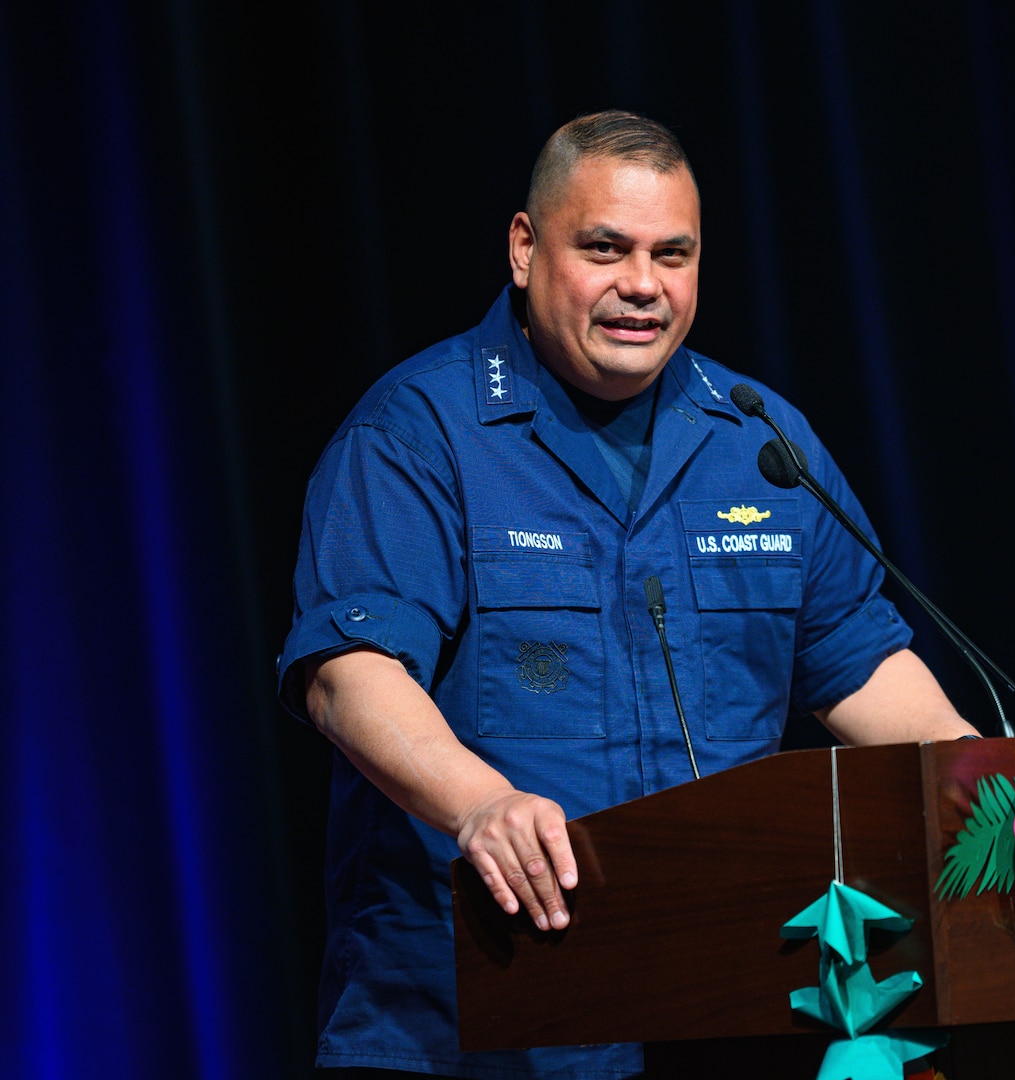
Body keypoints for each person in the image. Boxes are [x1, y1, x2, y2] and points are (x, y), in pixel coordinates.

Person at [277, 110, 977, 1078]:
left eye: (672, 254)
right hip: (471, 1023)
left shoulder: (758, 442)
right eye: (604, 248)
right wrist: (483, 805)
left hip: (719, 1014)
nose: (642, 285)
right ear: (525, 249)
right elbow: (347, 676)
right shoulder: (417, 435)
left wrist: (1010, 806)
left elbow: (863, 669)